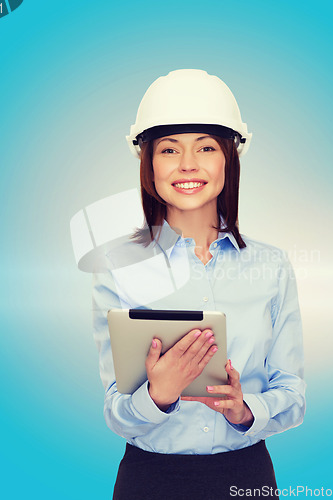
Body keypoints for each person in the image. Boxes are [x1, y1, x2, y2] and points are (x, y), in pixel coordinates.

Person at [92, 69, 306, 500]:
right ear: (148, 163)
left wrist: (246, 410)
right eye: (169, 149)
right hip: (148, 480)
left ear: (230, 157)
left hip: (245, 476)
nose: (188, 164)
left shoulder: (270, 266)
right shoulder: (117, 265)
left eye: (206, 147)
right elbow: (117, 411)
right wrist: (158, 395)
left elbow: (293, 393)